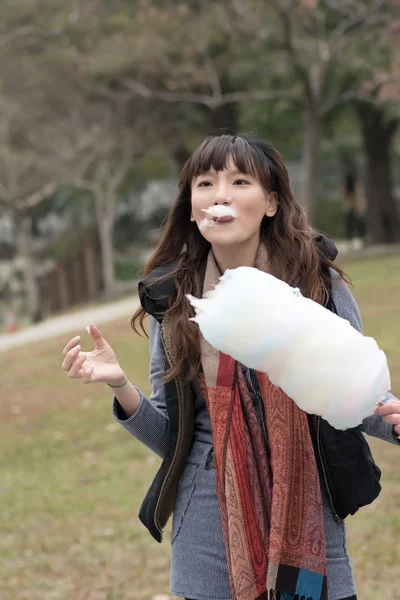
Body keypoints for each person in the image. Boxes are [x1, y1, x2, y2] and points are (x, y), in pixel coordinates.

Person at [61, 135, 400, 600]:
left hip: (306, 505)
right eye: (205, 183)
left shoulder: (319, 287)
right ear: (193, 207)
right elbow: (173, 439)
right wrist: (120, 385)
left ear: (272, 203)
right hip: (206, 514)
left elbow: (351, 398)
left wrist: (393, 419)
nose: (220, 194)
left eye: (240, 181)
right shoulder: (176, 300)